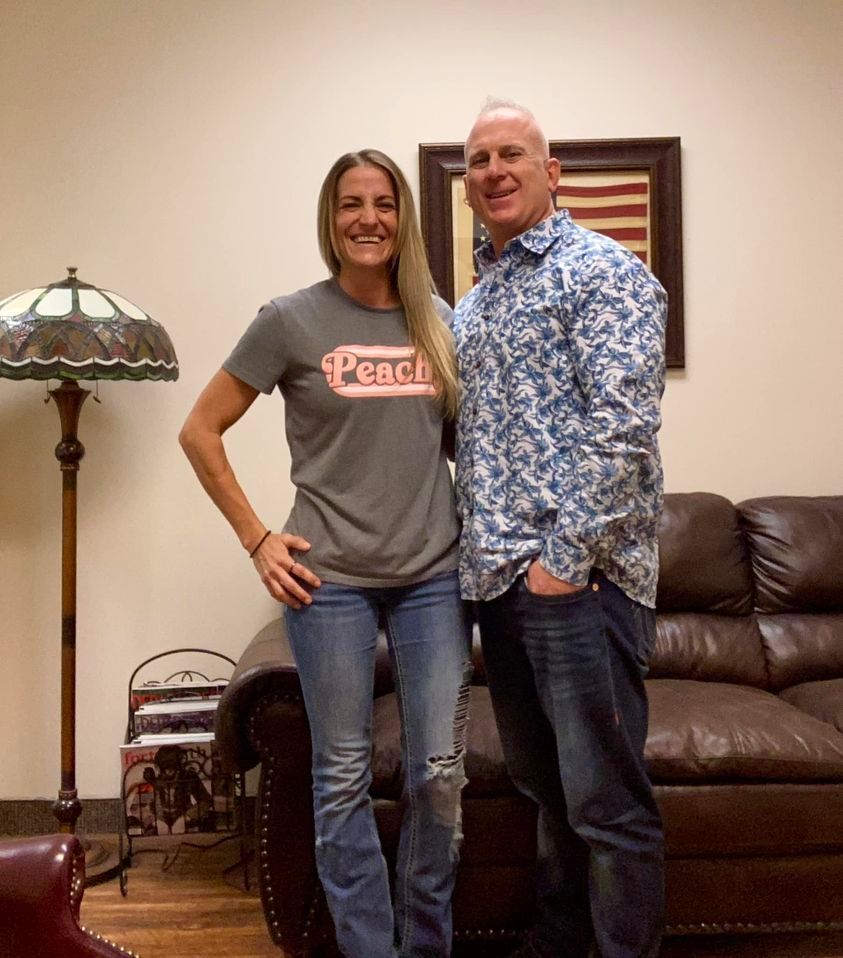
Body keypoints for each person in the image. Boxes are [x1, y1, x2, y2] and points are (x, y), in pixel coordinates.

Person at [179, 149, 472, 958]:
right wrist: (256, 538)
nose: (368, 218)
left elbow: (456, 449)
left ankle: (426, 946)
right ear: (330, 217)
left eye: (382, 203)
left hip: (432, 581)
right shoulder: (289, 319)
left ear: (402, 218)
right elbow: (199, 430)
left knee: (437, 774)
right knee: (341, 779)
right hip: (330, 584)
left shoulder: (438, 322)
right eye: (351, 203)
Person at [453, 99, 666, 958]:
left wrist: (564, 563)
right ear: (466, 184)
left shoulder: (599, 269)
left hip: (576, 584)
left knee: (607, 806)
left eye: (512, 154)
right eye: (478, 160)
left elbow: (622, 426)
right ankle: (558, 943)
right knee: (546, 794)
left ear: (552, 173)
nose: (494, 170)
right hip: (496, 585)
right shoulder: (473, 303)